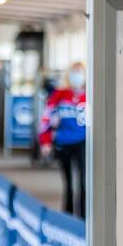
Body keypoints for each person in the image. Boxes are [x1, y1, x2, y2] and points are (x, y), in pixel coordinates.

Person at [44, 61, 88, 218]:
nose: (77, 76)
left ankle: (84, 216)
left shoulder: (90, 95)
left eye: (80, 72)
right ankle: (68, 215)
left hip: (83, 143)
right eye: (74, 72)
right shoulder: (60, 94)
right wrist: (46, 141)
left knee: (84, 181)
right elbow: (46, 118)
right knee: (68, 182)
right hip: (64, 142)